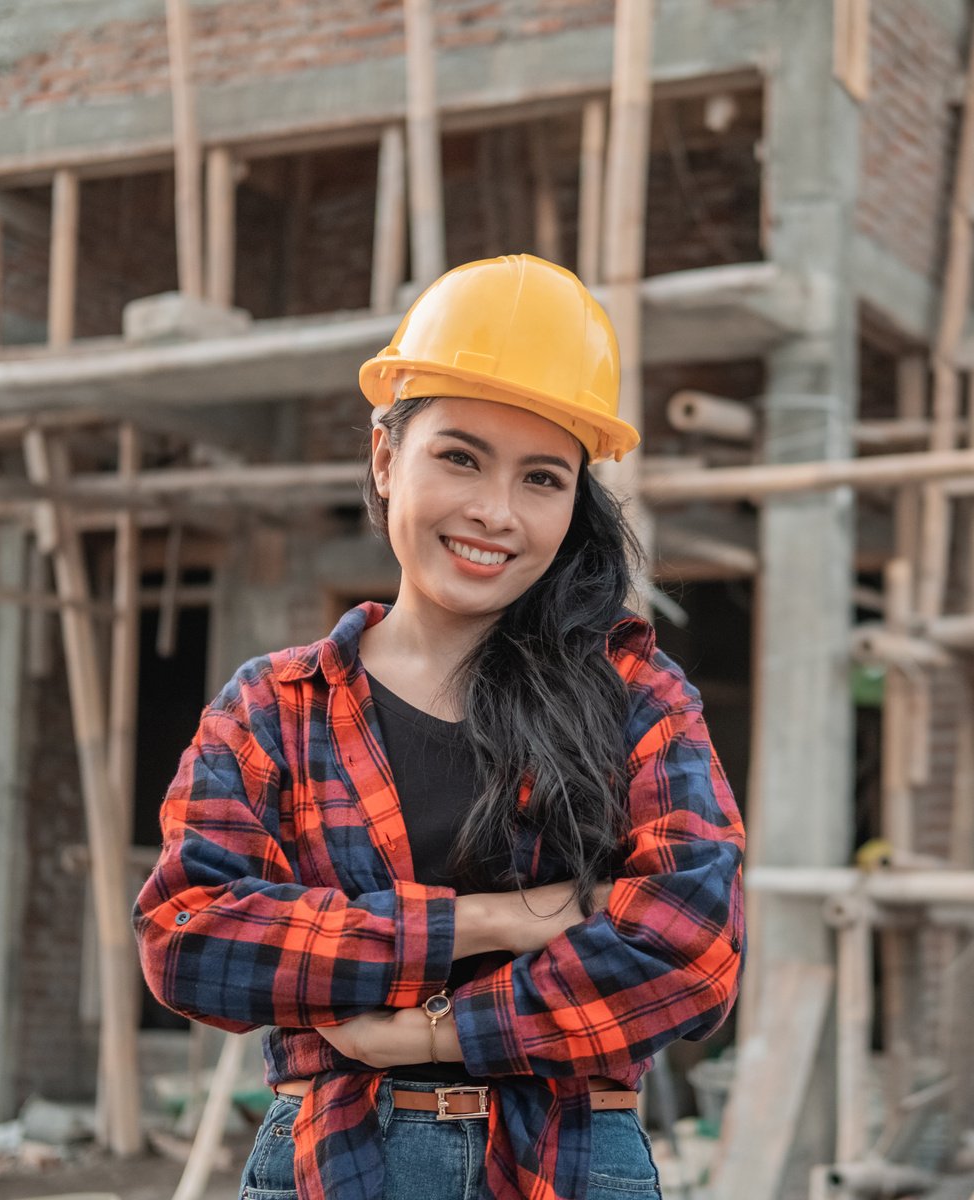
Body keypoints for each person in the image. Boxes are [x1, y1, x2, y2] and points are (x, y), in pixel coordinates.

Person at [133, 253, 747, 1200]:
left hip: (571, 1167)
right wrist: (483, 922)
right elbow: (189, 938)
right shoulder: (276, 708)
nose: (495, 513)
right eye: (459, 456)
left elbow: (693, 950)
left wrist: (434, 1030)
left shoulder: (635, 696)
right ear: (386, 457)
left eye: (541, 478)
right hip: (336, 1167)